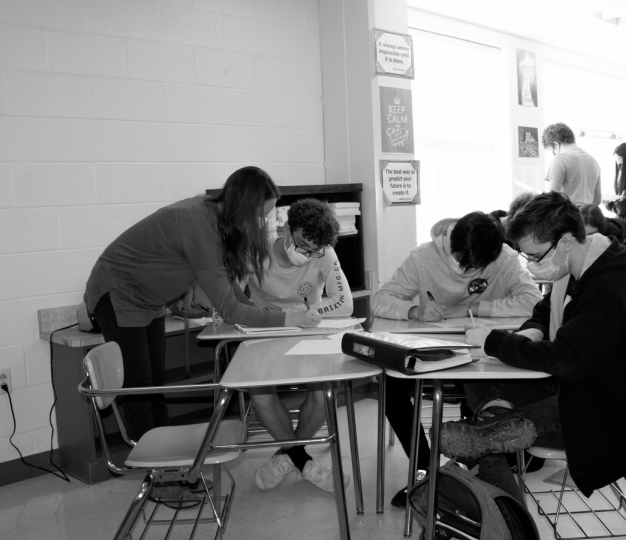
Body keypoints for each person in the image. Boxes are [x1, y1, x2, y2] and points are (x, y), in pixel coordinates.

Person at [440, 192, 626, 500]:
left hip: (613, 412)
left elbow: (567, 360)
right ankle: (496, 427)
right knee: (482, 380)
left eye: (534, 257)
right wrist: (533, 331)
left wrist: (496, 342)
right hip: (586, 387)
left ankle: (496, 434)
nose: (531, 266)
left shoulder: (610, 290)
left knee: (483, 438)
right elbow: (545, 311)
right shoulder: (578, 269)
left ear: (563, 243)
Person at [83, 167, 321, 442]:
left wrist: (274, 317)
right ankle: (154, 470)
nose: (260, 224)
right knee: (139, 388)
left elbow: (232, 293)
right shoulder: (199, 226)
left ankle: (169, 461)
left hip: (148, 299)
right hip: (118, 293)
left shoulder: (217, 220)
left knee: (155, 383)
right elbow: (230, 310)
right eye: (259, 215)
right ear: (242, 206)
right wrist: (286, 319)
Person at [372, 212, 542, 507]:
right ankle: (425, 468)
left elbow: (533, 301)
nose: (463, 272)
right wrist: (415, 311)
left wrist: (476, 307)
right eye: (459, 259)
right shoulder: (423, 256)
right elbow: (380, 299)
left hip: (482, 351)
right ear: (450, 241)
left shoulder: (504, 258)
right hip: (434, 349)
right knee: (390, 381)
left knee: (491, 382)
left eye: (473, 268)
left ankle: (484, 456)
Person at [245, 198, 353, 492]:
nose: (307, 254)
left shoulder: (324, 252)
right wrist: (280, 316)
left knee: (324, 392)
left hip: (307, 332)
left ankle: (288, 456)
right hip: (265, 331)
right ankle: (303, 460)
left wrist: (310, 314)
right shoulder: (255, 253)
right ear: (286, 228)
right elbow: (232, 299)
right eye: (302, 244)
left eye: (314, 250)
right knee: (261, 396)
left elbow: (344, 303)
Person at [542, 123, 601, 206]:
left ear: (555, 144)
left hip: (568, 216)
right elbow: (597, 200)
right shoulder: (593, 161)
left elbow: (552, 199)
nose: (554, 153)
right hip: (588, 216)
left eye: (552, 150)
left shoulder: (559, 159)